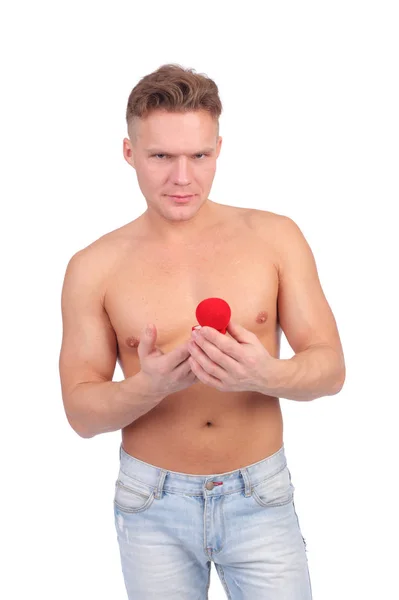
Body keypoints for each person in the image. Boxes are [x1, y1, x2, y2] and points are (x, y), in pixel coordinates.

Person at [59, 63, 345, 599]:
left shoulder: (275, 238)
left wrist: (269, 373)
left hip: (259, 493)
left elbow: (330, 369)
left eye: (199, 156)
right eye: (161, 156)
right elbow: (80, 413)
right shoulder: (93, 267)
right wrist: (149, 386)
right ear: (129, 153)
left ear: (219, 149)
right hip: (151, 504)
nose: (182, 177)